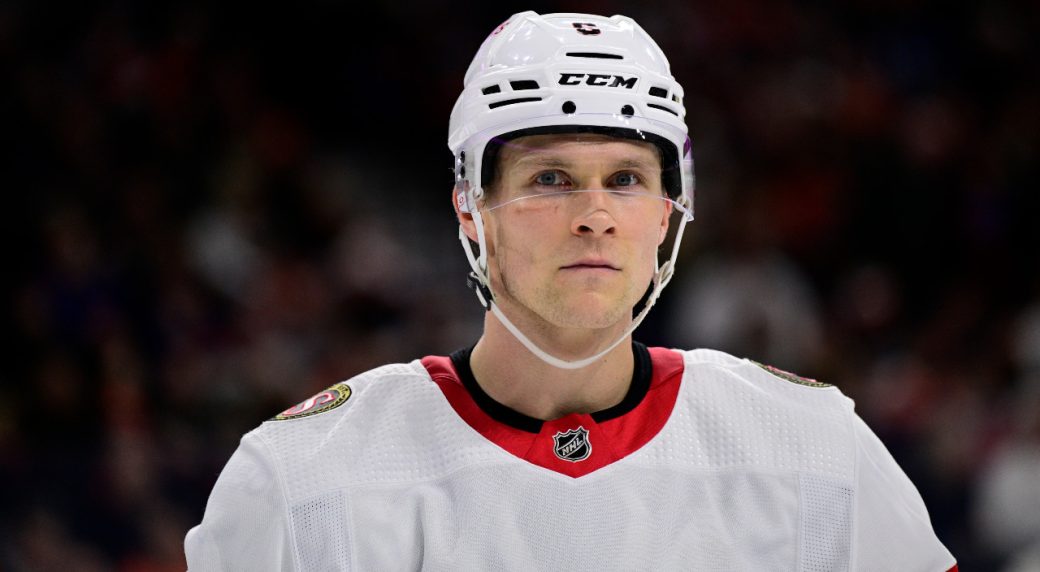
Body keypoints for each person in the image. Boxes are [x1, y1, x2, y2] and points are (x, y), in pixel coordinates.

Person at [185, 11, 957, 570]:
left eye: (625, 179)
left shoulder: (812, 449)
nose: (595, 215)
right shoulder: (304, 482)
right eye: (550, 178)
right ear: (470, 208)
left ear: (667, 211)